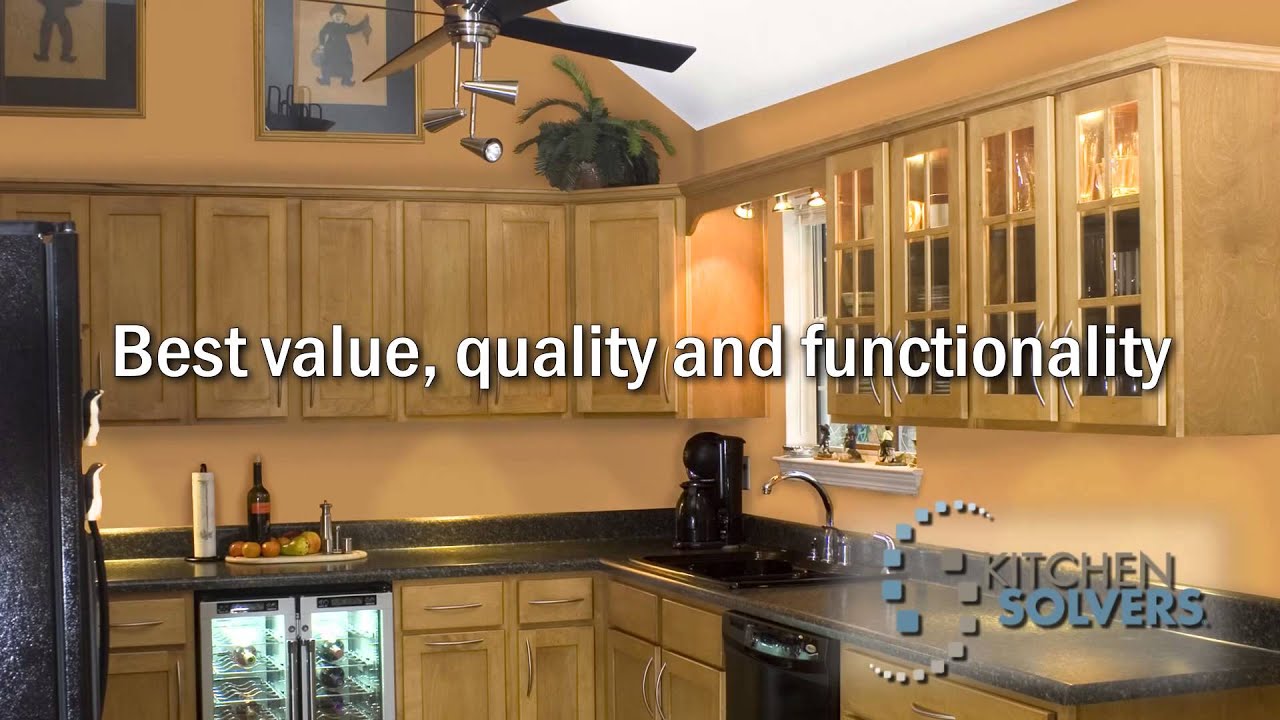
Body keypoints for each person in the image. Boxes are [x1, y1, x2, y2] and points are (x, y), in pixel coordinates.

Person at [314, 4, 372, 87]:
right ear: (332, 16)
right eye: (336, 15)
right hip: (330, 49)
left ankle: (346, 80)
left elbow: (354, 29)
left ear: (344, 17)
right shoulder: (329, 25)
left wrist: (363, 23)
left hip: (343, 50)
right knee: (327, 62)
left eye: (340, 15)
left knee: (346, 63)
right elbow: (322, 33)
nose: (338, 17)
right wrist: (322, 44)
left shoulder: (345, 26)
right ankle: (325, 80)